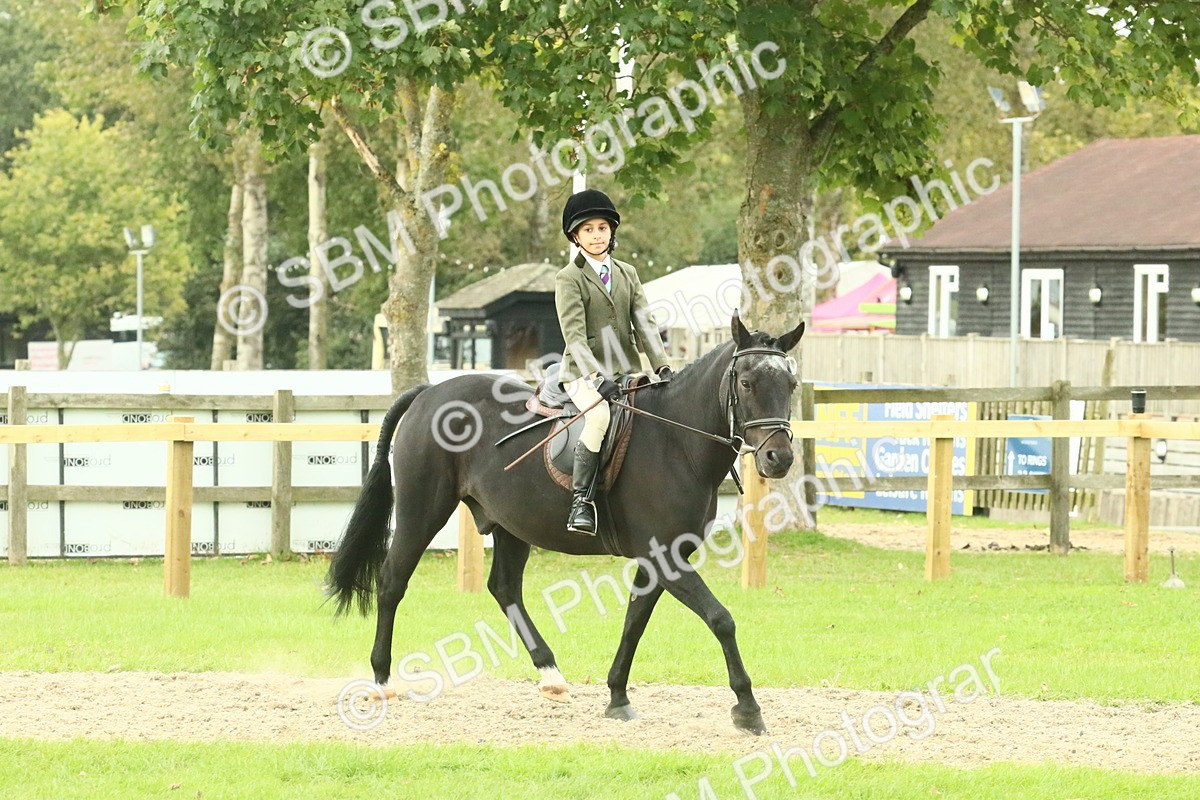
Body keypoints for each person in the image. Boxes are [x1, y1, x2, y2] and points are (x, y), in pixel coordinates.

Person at [554, 189, 673, 535]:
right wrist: (596, 375)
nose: (596, 235)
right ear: (576, 236)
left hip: (626, 370)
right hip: (582, 374)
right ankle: (582, 501)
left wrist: (661, 365)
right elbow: (574, 337)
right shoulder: (569, 278)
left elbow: (645, 324)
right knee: (600, 417)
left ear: (612, 232)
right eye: (588, 229)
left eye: (602, 228)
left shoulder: (628, 273)